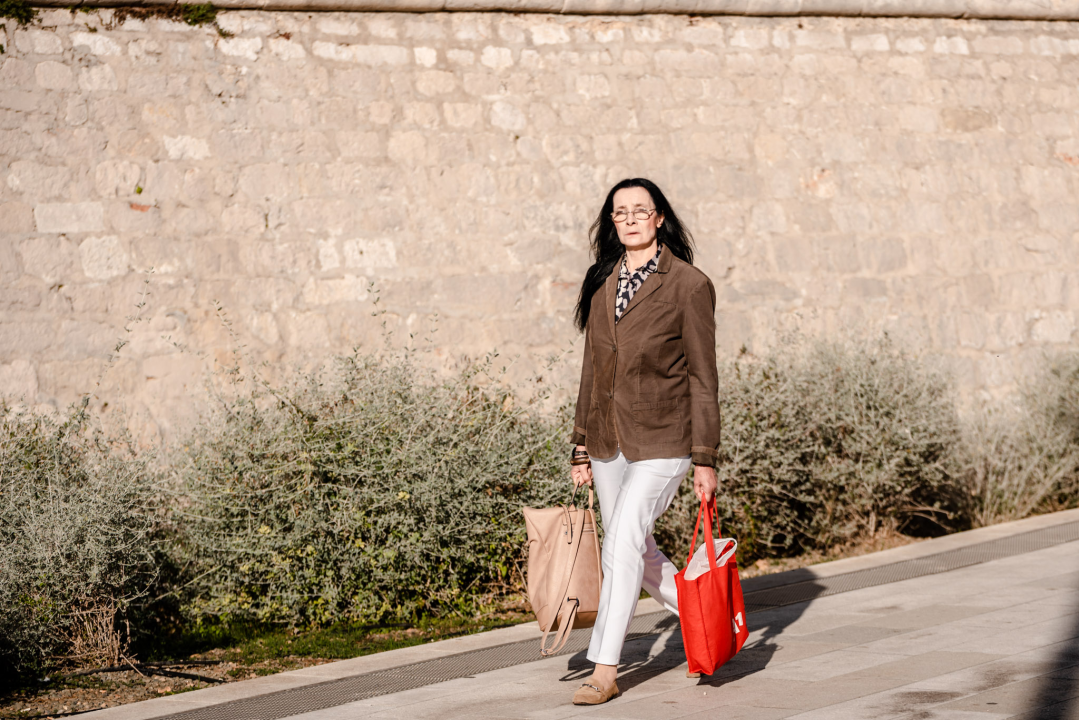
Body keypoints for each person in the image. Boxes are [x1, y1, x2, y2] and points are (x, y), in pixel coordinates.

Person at [568, 178, 720, 706]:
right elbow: (593, 369)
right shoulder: (602, 280)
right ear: (612, 223)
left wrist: (705, 457)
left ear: (659, 218)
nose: (630, 219)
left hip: (666, 438)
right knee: (640, 548)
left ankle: (604, 668)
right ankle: (709, 625)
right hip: (609, 439)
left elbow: (704, 377)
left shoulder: (689, 285)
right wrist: (580, 444)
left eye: (641, 210)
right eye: (620, 213)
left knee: (620, 544)